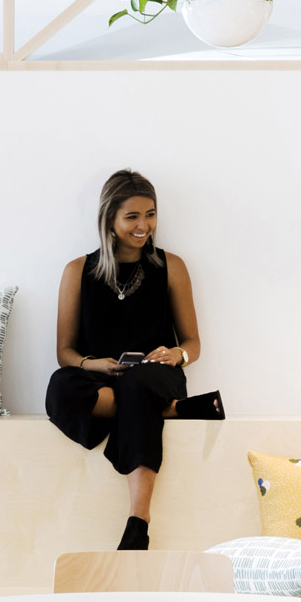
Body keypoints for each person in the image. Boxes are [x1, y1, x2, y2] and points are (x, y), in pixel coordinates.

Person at [46, 170, 224, 550]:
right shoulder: (77, 271)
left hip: (155, 378)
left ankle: (137, 522)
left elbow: (192, 342)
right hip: (101, 377)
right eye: (132, 217)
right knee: (59, 388)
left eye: (151, 214)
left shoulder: (170, 266)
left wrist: (177, 354)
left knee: (136, 385)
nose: (144, 226)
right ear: (109, 219)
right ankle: (172, 410)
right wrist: (98, 365)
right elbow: (65, 353)